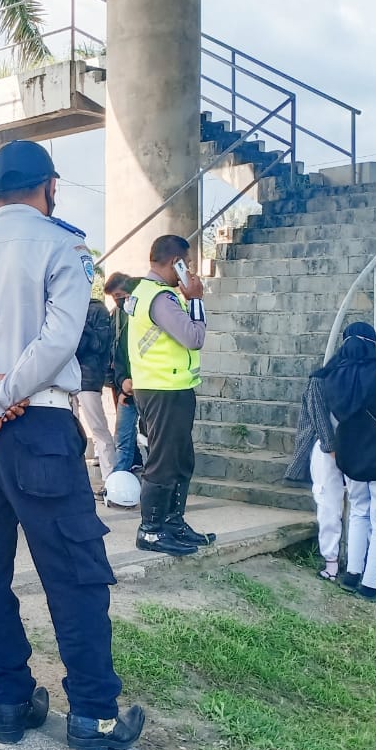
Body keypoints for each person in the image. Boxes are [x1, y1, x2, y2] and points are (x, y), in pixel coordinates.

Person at [0, 139, 144, 750]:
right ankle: (93, 716)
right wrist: (1, 399)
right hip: (38, 425)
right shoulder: (62, 248)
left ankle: (9, 702)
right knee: (73, 574)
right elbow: (58, 341)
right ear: (51, 187)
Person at [125, 236, 214, 556]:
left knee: (180, 460)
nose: (188, 270)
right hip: (164, 390)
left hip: (165, 387)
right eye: (186, 263)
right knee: (163, 463)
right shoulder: (161, 298)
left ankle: (173, 523)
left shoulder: (143, 292)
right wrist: (196, 300)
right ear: (175, 260)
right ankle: (150, 529)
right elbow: (193, 337)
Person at [315, 322, 376, 604]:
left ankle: (352, 574)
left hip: (351, 457)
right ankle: (370, 585)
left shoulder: (332, 378)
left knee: (358, 512)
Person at [285, 370, 345, 582]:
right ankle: (331, 560)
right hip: (327, 451)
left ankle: (354, 561)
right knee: (328, 504)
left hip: (354, 447)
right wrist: (331, 448)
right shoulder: (320, 380)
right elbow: (319, 418)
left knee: (358, 507)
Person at [104, 272, 142, 474]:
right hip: (124, 383)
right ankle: (119, 478)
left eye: (120, 296)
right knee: (123, 435)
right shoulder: (117, 315)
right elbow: (119, 352)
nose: (118, 301)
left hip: (149, 385)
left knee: (150, 435)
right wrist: (122, 380)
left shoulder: (144, 313)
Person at [75, 290, 116, 471]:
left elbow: (99, 346)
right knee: (71, 430)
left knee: (98, 428)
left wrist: (82, 327)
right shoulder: (69, 307)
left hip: (88, 377)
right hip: (68, 377)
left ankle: (110, 477)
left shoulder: (97, 310)